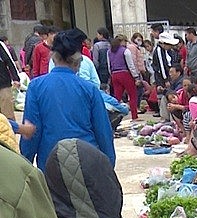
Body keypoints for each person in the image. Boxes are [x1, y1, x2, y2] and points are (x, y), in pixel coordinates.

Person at [20, 28, 115, 171]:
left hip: (51, 163)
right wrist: (109, 164)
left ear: (53, 57)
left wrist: (26, 161)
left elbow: (31, 131)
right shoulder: (90, 89)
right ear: (78, 61)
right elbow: (103, 132)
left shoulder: (36, 87)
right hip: (86, 162)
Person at [108, 35, 143, 121]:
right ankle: (134, 116)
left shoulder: (109, 51)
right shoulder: (125, 51)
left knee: (117, 97)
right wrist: (136, 76)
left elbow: (109, 65)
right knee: (132, 95)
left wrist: (111, 74)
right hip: (125, 73)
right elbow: (130, 65)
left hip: (114, 74)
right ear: (122, 41)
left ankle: (114, 116)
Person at [0, 33, 21, 121]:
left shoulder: (0, 45)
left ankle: (11, 133)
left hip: (3, 84)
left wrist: (16, 78)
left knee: (7, 114)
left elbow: (9, 61)